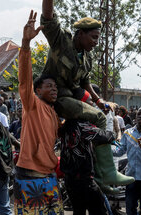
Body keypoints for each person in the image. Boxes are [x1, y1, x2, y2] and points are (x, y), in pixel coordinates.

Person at [13, 11, 63, 214]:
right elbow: (25, 78)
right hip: (30, 177)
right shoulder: (31, 104)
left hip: (50, 176)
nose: (54, 89)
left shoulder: (53, 113)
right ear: (37, 90)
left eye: (56, 87)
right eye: (49, 86)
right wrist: (25, 44)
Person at [41, 0, 108, 130]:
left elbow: (85, 81)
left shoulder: (87, 57)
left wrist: (98, 100)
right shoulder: (61, 42)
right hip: (55, 97)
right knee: (100, 118)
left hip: (71, 98)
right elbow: (49, 19)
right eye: (94, 37)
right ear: (81, 34)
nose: (95, 42)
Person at [60, 118, 115, 215]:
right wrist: (112, 133)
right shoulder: (81, 125)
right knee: (99, 210)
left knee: (78, 210)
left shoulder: (65, 125)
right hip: (83, 179)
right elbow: (106, 137)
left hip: (70, 179)